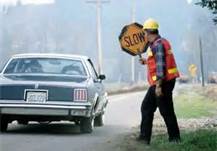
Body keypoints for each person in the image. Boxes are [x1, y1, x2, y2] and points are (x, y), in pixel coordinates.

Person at [138, 18, 181, 144]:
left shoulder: (158, 45)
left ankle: (174, 139)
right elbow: (157, 61)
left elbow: (161, 67)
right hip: (163, 82)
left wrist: (158, 86)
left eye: (144, 32)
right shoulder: (159, 43)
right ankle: (144, 139)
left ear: (150, 32)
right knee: (147, 108)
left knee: (166, 110)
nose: (144, 35)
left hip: (162, 83)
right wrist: (146, 62)